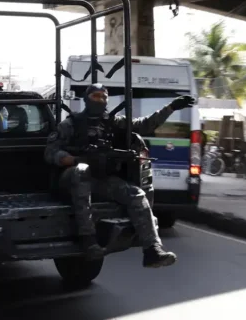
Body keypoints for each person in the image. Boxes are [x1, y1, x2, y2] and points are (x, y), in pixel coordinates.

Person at [45, 83, 196, 268]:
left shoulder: (113, 122)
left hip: (100, 179)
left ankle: (152, 249)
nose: (100, 100)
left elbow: (145, 124)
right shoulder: (71, 124)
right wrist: (76, 159)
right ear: (86, 98)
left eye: (103, 97)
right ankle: (88, 239)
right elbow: (51, 152)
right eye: (96, 96)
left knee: (136, 194)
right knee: (81, 172)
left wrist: (171, 107)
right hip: (70, 178)